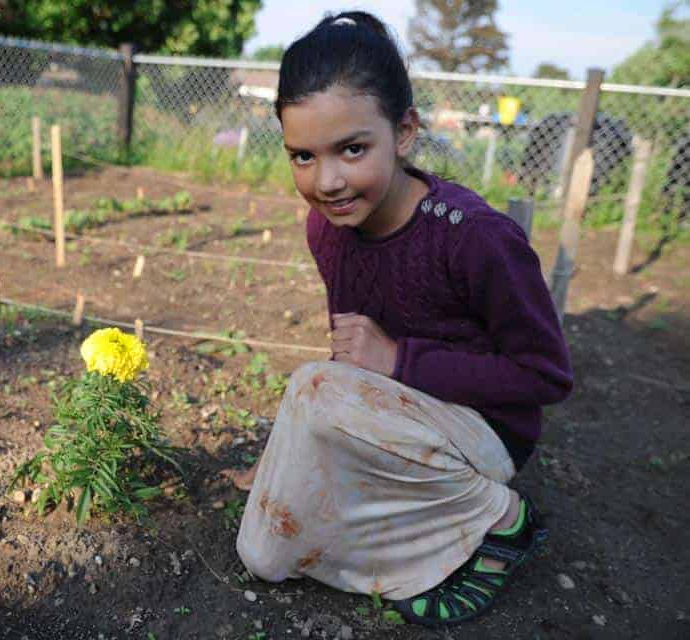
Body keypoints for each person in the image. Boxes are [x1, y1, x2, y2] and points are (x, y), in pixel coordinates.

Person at [228, 11, 573, 627]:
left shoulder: (475, 238)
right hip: (401, 415)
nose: (327, 181)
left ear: (405, 131)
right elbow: (349, 361)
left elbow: (547, 377)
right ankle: (419, 531)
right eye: (303, 156)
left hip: (485, 431)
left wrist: (399, 361)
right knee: (264, 554)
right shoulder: (327, 228)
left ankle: (496, 520)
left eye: (352, 149)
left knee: (310, 386)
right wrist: (282, 456)